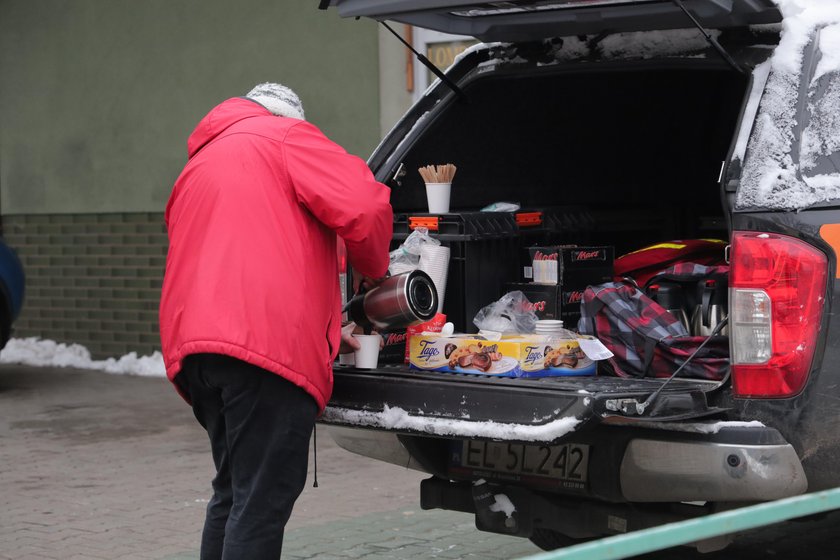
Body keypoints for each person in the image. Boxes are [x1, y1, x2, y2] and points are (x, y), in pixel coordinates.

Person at [159, 82, 393, 559]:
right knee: (260, 502)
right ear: (288, 118)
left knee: (234, 492)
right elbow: (366, 207)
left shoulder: (200, 163)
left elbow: (263, 248)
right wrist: (374, 272)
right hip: (261, 350)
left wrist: (325, 332)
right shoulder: (284, 137)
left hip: (197, 350)